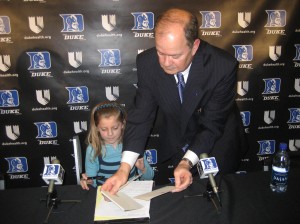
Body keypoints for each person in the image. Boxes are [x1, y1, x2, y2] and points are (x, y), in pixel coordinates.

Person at [102, 8, 247, 194]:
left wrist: (187, 162)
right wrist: (124, 169)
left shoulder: (222, 66)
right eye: (160, 52)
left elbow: (212, 123)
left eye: (175, 56)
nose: (165, 63)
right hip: (181, 137)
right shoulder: (147, 62)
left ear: (194, 47)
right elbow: (141, 116)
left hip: (219, 143)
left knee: (217, 200)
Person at [80, 101, 154, 190]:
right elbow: (92, 183)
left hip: (132, 192)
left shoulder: (134, 145)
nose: (110, 133)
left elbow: (149, 177)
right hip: (107, 194)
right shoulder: (93, 149)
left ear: (123, 124)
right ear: (96, 128)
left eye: (115, 128)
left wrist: (142, 168)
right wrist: (88, 182)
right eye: (104, 129)